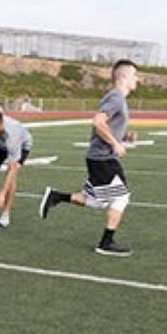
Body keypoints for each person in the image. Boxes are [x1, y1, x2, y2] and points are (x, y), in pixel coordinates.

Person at [39, 59, 139, 256]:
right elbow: (98, 122)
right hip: (103, 158)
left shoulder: (117, 98)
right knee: (121, 198)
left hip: (99, 157)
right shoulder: (116, 98)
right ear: (124, 76)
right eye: (135, 75)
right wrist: (115, 144)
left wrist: (123, 137)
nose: (138, 80)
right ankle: (106, 243)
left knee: (96, 201)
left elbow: (105, 126)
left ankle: (56, 196)